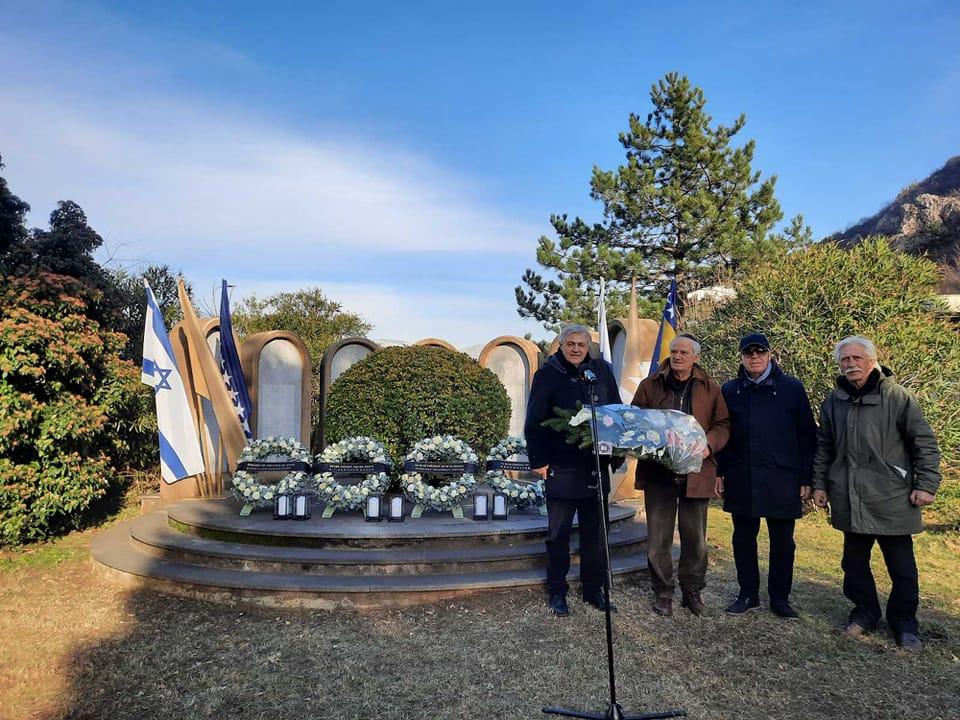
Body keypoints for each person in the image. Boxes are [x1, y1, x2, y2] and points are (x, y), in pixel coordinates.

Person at [812, 336, 940, 651]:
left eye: (857, 358)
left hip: (891, 496)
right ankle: (864, 613)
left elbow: (923, 442)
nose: (851, 364)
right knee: (853, 564)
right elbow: (824, 447)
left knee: (902, 568)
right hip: (849, 497)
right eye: (845, 360)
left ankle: (905, 624)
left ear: (872, 361)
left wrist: (925, 485)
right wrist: (819, 484)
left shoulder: (898, 398)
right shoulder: (834, 401)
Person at [716, 333, 816, 619]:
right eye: (749, 353)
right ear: (742, 357)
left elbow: (807, 436)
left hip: (783, 477)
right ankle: (748, 594)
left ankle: (780, 599)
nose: (755, 357)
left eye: (760, 352)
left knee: (783, 542)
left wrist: (805, 478)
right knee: (743, 540)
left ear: (770, 355)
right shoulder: (730, 390)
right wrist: (720, 472)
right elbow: (724, 434)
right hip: (742, 477)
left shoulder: (792, 388)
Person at [525, 324, 621, 616]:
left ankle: (593, 590)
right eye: (571, 344)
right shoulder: (548, 374)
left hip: (594, 467)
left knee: (595, 536)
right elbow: (534, 420)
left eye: (582, 344)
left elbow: (615, 411)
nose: (577, 349)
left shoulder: (601, 372)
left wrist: (615, 455)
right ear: (562, 346)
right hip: (562, 467)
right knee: (559, 536)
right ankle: (558, 592)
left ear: (588, 346)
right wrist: (539, 461)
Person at [631, 333, 730, 616]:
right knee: (658, 538)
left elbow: (723, 423)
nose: (677, 356)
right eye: (674, 351)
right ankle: (663, 592)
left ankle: (692, 590)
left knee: (695, 539)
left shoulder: (711, 388)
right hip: (659, 473)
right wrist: (653, 443)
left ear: (696, 357)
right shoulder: (650, 385)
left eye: (684, 352)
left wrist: (708, 446)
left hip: (697, 472)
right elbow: (636, 420)